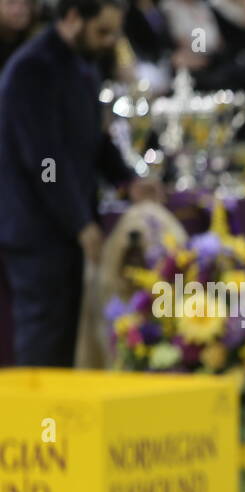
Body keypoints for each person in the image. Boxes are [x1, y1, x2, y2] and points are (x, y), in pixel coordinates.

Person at [0, 0, 153, 367]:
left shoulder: (82, 63)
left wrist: (128, 182)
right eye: (103, 31)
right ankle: (33, 423)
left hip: (65, 229)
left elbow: (95, 138)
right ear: (72, 18)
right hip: (36, 233)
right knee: (44, 343)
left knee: (72, 343)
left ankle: (64, 422)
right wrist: (80, 223)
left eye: (115, 32)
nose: (110, 41)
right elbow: (45, 162)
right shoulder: (32, 69)